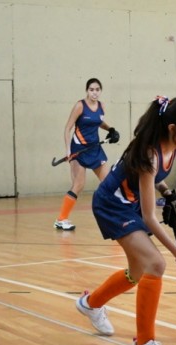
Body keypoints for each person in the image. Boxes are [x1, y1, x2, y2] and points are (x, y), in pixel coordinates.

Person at [75, 96, 176, 345]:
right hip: (112, 204)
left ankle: (90, 303)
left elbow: (152, 181)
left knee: (137, 273)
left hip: (128, 204)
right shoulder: (149, 153)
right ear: (172, 128)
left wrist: (168, 194)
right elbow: (149, 217)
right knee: (156, 263)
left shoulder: (174, 149)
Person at [54, 78, 120, 231]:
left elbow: (98, 122)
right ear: (87, 91)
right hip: (79, 149)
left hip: (95, 148)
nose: (94, 92)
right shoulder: (80, 106)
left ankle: (116, 217)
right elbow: (67, 128)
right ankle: (61, 219)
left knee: (109, 183)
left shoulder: (102, 106)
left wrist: (110, 129)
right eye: (91, 89)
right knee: (79, 185)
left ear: (100, 91)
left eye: (97, 89)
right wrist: (68, 151)